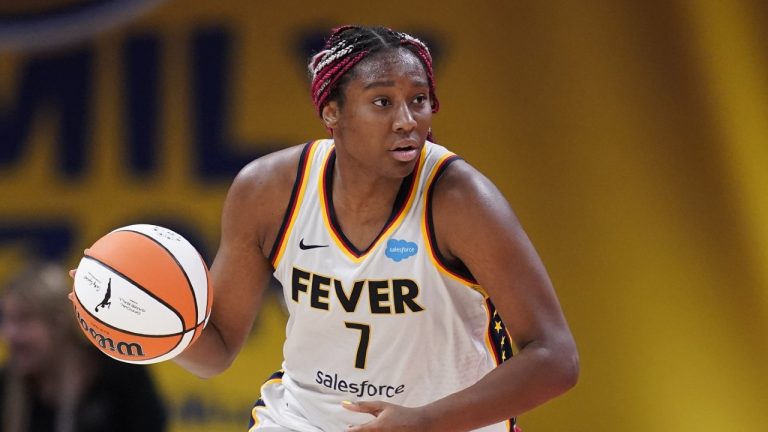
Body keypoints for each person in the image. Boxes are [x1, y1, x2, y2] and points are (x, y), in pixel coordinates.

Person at [175, 25, 579, 432]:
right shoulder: (267, 190)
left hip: (443, 422)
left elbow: (556, 357)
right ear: (332, 111)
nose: (406, 121)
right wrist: (148, 327)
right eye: (382, 102)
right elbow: (218, 348)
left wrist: (424, 421)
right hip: (305, 420)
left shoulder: (460, 200)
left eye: (418, 100)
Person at [0, 260, 168, 432]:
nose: (9, 334)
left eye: (23, 319)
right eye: (7, 320)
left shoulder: (122, 375)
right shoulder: (5, 385)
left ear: (59, 322)